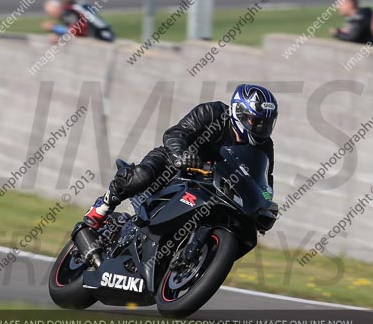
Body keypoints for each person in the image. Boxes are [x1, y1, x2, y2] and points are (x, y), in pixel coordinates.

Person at [82, 84, 277, 230]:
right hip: (177, 162)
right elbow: (176, 133)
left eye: (266, 123)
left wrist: (265, 204)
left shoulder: (265, 146)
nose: (261, 128)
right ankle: (104, 205)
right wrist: (181, 155)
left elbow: (265, 183)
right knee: (142, 175)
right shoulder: (213, 112)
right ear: (238, 112)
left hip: (215, 185)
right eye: (256, 121)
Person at [42, 0, 114, 44]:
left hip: (101, 37)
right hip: (105, 33)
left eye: (51, 12)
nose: (51, 15)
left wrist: (55, 28)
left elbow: (74, 31)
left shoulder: (68, 12)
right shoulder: (76, 6)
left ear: (57, 8)